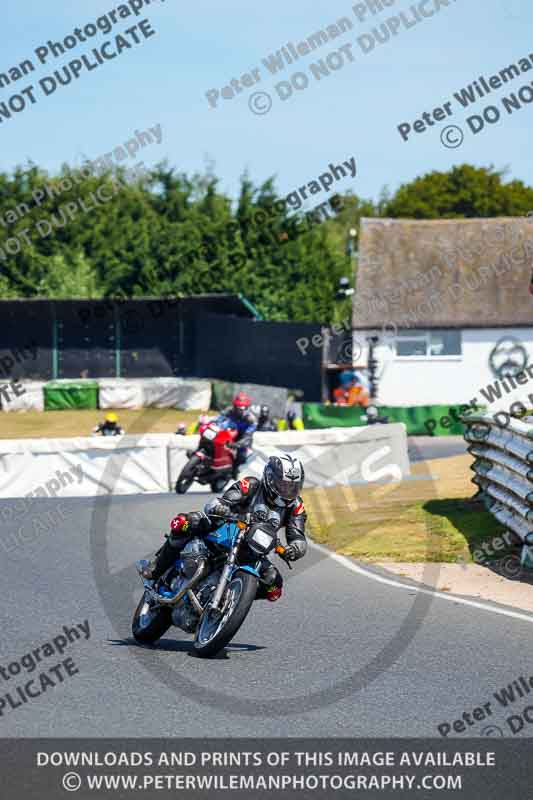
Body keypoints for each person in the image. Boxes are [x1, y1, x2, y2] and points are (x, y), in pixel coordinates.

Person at [139, 454, 307, 602]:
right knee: (185, 522)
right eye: (283, 485)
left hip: (254, 548)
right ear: (270, 479)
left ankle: (233, 598)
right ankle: (157, 567)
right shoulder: (252, 484)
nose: (287, 491)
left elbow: (298, 535)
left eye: (293, 486)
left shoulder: (296, 506)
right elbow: (226, 498)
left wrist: (295, 549)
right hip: (226, 526)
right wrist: (222, 505)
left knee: (274, 587)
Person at [215, 392, 257, 478]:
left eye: (243, 407)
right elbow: (219, 419)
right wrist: (215, 423)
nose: (240, 409)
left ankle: (234, 469)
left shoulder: (251, 419)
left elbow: (248, 436)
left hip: (242, 437)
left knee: (242, 456)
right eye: (238, 407)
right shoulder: (229, 410)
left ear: (247, 407)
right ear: (234, 405)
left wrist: (237, 444)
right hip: (229, 432)